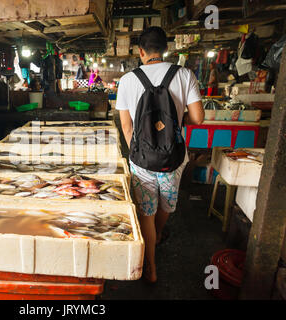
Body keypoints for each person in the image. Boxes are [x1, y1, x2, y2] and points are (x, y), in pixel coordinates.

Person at [116, 27, 204, 283]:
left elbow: (126, 126)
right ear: (165, 50)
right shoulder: (184, 74)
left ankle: (151, 268)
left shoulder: (128, 80)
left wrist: (139, 152)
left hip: (142, 161)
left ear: (141, 52)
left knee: (146, 212)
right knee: (166, 205)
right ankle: (159, 232)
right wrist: (175, 119)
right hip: (173, 158)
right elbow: (198, 117)